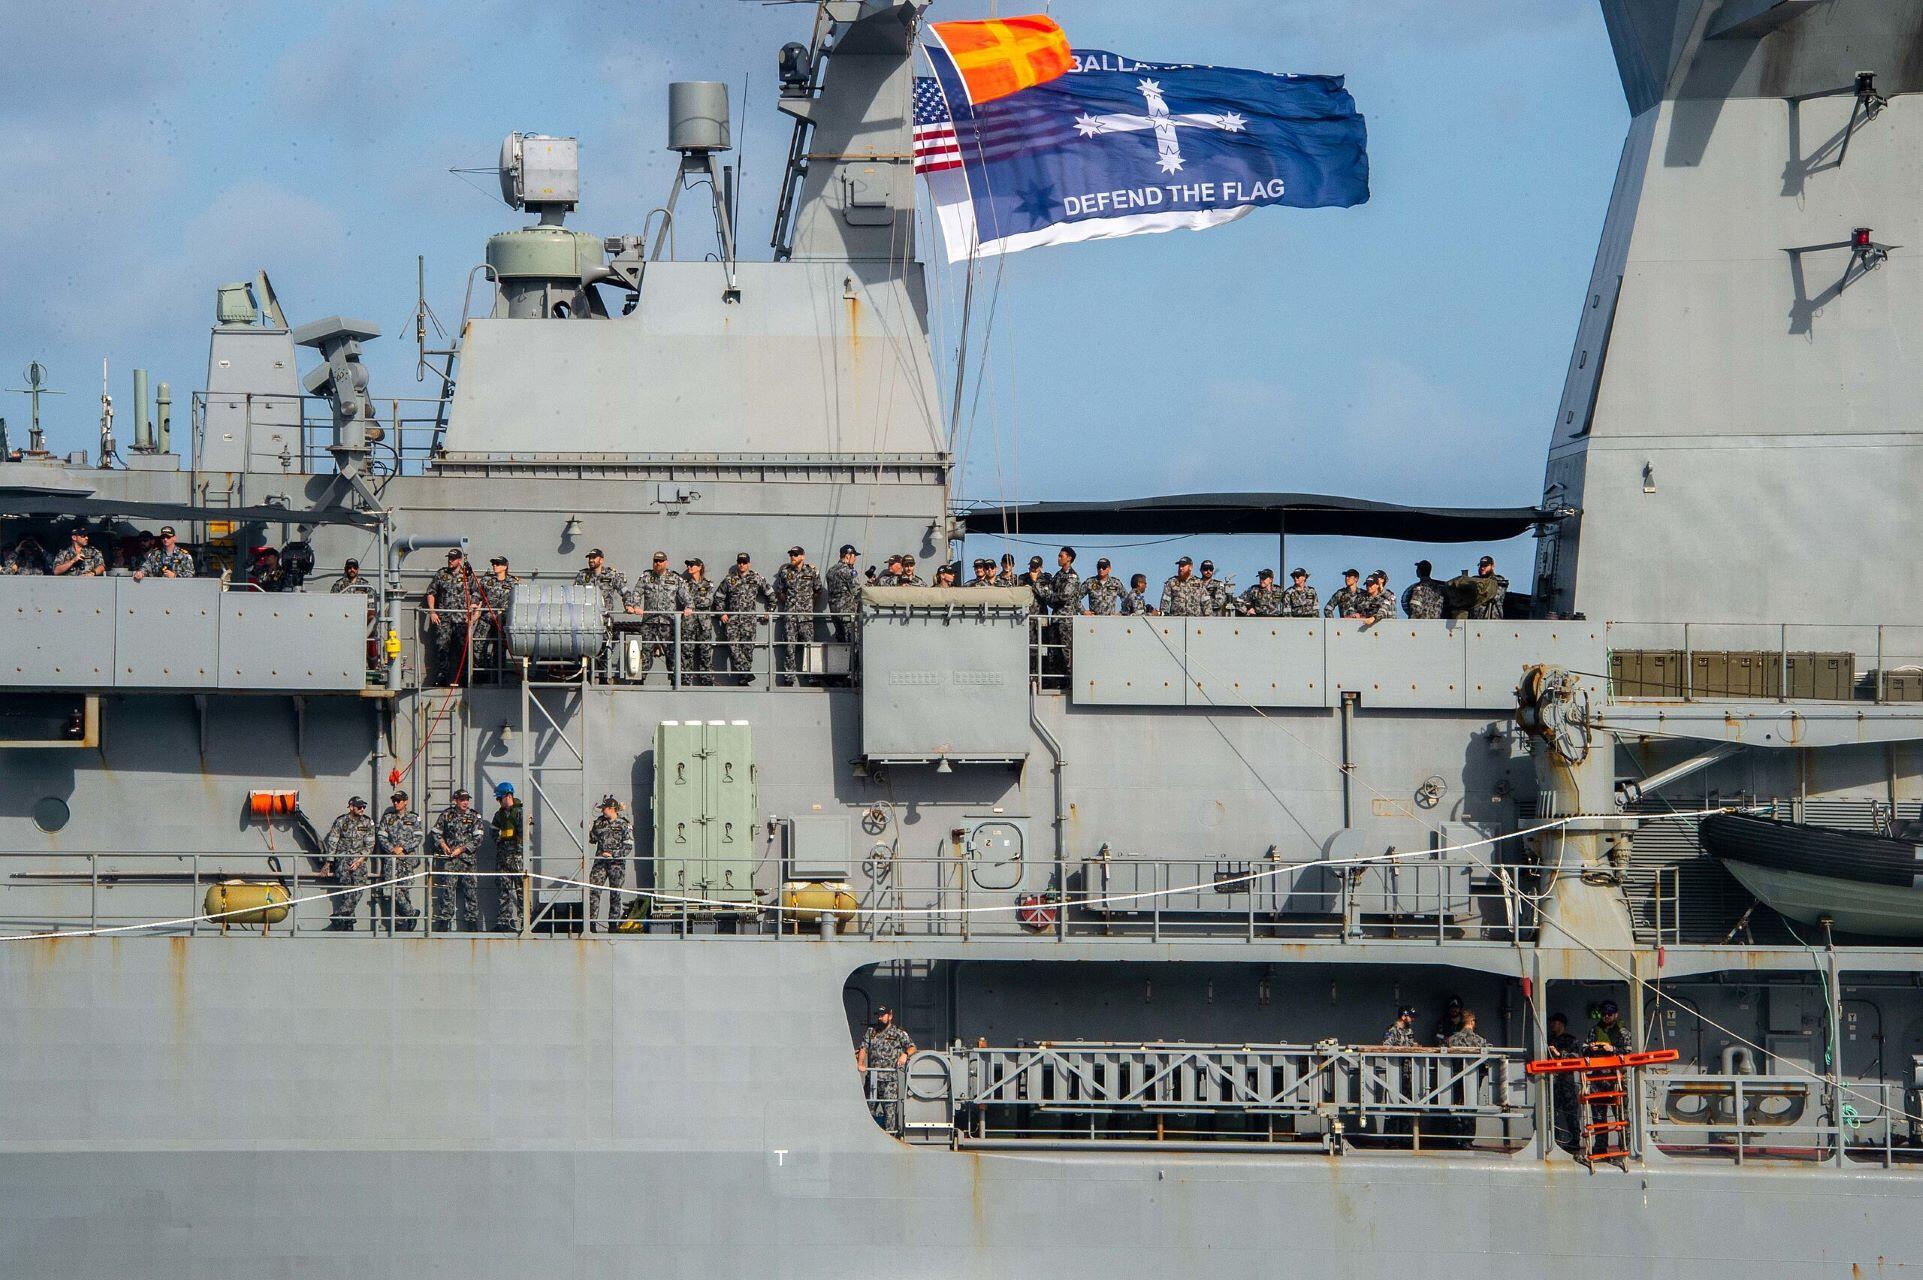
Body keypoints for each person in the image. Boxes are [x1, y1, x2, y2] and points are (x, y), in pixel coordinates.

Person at [624, 551, 688, 684]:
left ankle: (675, 680)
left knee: (671, 652)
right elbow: (636, 592)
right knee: (645, 651)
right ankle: (640, 680)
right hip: (649, 621)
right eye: (655, 561)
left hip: (668, 622)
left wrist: (689, 607)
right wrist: (634, 606)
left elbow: (685, 595)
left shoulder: (675, 578)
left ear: (666, 562)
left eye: (660, 561)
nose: (657, 563)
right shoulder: (646, 577)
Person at [855, 1005, 917, 1133]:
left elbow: (912, 1047)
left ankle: (890, 1136)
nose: (880, 1018)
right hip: (872, 1080)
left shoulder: (898, 1033)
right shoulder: (871, 1031)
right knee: (868, 1111)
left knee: (890, 1113)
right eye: (878, 1015)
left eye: (883, 1015)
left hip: (889, 1081)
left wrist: (905, 1055)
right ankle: (866, 1137)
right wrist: (860, 1063)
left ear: (890, 1015)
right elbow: (863, 1048)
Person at [431, 788, 485, 932]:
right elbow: (436, 833)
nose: (465, 802)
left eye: (467, 799)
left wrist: (461, 849)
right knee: (447, 891)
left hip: (468, 861)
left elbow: (478, 838)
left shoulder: (474, 817)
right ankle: (444, 921)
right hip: (450, 861)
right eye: (462, 800)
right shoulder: (447, 815)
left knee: (471, 892)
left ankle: (472, 922)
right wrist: (443, 845)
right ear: (455, 800)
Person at [424, 548, 479, 685]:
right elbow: (431, 592)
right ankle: (443, 675)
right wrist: (432, 611)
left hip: (462, 618)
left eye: (453, 559)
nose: (450, 560)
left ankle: (465, 677)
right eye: (449, 558)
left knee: (463, 647)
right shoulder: (441, 574)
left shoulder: (468, 575)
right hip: (444, 618)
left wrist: (472, 608)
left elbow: (477, 593)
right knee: (442, 646)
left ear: (460, 560)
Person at [372, 789, 424, 931]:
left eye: (398, 800)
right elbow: (381, 836)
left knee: (404, 889)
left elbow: (418, 837)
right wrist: (392, 849)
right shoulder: (388, 818)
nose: (395, 803)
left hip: (407, 859)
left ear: (405, 802)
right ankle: (411, 914)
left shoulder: (414, 818)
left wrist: (404, 849)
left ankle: (401, 922)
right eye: (394, 800)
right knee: (393, 889)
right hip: (392, 860)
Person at [717, 552, 773, 683]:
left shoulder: (756, 578)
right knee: (733, 645)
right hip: (733, 620)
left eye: (744, 562)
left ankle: (744, 678)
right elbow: (718, 597)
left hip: (749, 620)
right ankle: (746, 672)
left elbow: (771, 596)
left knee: (748, 649)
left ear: (749, 563)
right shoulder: (729, 579)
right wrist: (721, 612)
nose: (741, 564)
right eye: (739, 562)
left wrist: (769, 611)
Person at [323, 796, 377, 931]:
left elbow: (370, 844)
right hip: (343, 859)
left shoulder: (367, 822)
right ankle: (348, 921)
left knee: (359, 888)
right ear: (351, 807)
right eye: (359, 807)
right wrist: (329, 862)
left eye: (364, 807)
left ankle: (340, 915)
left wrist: (360, 860)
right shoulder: (341, 821)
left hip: (359, 860)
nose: (362, 809)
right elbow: (333, 841)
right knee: (346, 889)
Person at [772, 545, 823, 684]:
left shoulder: (812, 571)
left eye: (795, 554)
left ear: (802, 556)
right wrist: (789, 603)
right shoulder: (785, 572)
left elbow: (818, 590)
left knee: (809, 646)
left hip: (806, 617)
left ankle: (812, 676)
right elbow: (780, 591)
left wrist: (809, 605)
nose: (792, 557)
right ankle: (789, 677)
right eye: (791, 555)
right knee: (790, 647)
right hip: (790, 617)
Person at [586, 795, 634, 932]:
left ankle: (613, 924)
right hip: (600, 863)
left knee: (615, 894)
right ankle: (591, 924)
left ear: (612, 809)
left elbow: (629, 845)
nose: (602, 811)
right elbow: (592, 839)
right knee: (593, 891)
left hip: (616, 865)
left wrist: (614, 854)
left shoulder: (623, 824)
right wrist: (587, 829)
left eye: (604, 809)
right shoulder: (599, 823)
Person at [475, 555, 519, 679]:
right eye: (493, 563)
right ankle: (479, 674)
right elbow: (477, 594)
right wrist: (474, 604)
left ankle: (498, 676)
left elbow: (519, 598)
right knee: (478, 645)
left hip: (502, 620)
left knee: (499, 649)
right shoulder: (487, 580)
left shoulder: (513, 582)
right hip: (486, 619)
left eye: (497, 564)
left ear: (505, 567)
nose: (494, 566)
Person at [490, 781, 525, 933]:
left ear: (508, 796)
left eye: (500, 798)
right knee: (503, 890)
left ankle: (526, 922)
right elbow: (493, 832)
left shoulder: (519, 812)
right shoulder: (499, 815)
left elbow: (522, 834)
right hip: (503, 857)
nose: (498, 801)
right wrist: (504, 836)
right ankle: (503, 922)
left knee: (521, 889)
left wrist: (508, 836)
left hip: (517, 856)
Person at [1546, 1011, 1581, 1152]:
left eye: (1554, 1023)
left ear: (1561, 1024)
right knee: (1550, 1114)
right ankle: (1553, 1141)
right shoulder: (1549, 1039)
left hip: (1566, 1083)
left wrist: (1559, 1054)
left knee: (1571, 1115)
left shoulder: (1570, 1040)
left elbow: (1575, 1058)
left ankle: (1575, 1143)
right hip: (1552, 1083)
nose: (1551, 1025)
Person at [681, 558, 719, 685]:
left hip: (704, 625)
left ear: (699, 567)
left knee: (705, 653)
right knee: (687, 653)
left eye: (692, 565)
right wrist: (694, 602)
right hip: (688, 624)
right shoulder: (684, 584)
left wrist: (691, 603)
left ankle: (706, 681)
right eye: (688, 565)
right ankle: (686, 680)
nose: (689, 567)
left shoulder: (708, 584)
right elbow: (681, 600)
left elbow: (709, 601)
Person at [574, 548, 627, 618]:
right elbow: (574, 594)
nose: (591, 560)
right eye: (589, 558)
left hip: (605, 618)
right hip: (587, 618)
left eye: (594, 558)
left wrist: (628, 605)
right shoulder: (582, 575)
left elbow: (625, 592)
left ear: (601, 560)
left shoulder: (611, 575)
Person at [825, 544, 861, 643]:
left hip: (834, 612)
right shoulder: (848, 571)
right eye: (854, 556)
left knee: (840, 642)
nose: (855, 559)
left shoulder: (830, 571)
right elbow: (857, 590)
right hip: (847, 613)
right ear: (848, 556)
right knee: (852, 641)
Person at [1472, 555, 1509, 620]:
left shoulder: (1498, 581)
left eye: (1485, 566)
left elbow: (1495, 596)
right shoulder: (1474, 580)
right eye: (1481, 565)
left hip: (1492, 621)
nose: (1482, 568)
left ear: (1492, 566)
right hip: (1474, 621)